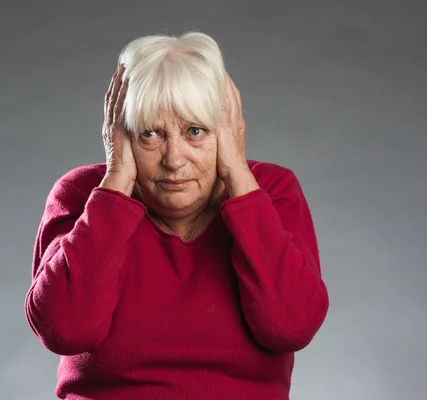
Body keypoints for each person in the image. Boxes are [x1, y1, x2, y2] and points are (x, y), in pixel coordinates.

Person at [25, 31, 329, 399]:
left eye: (195, 131)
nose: (173, 160)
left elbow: (292, 327)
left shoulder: (270, 191)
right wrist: (116, 179)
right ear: (120, 134)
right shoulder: (82, 195)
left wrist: (238, 177)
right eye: (150, 134)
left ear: (227, 131)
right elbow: (65, 329)